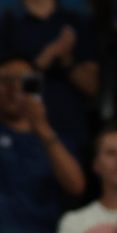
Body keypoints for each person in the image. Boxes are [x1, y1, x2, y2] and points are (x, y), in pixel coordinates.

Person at [0, 55, 84, 233]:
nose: (13, 88)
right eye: (5, 81)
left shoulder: (56, 140)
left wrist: (41, 126)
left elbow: (76, 186)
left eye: (24, 81)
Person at [0, 0, 99, 160]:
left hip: (70, 125)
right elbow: (11, 81)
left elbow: (92, 87)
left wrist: (66, 61)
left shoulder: (76, 21)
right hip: (22, 133)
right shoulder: (9, 22)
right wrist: (46, 58)